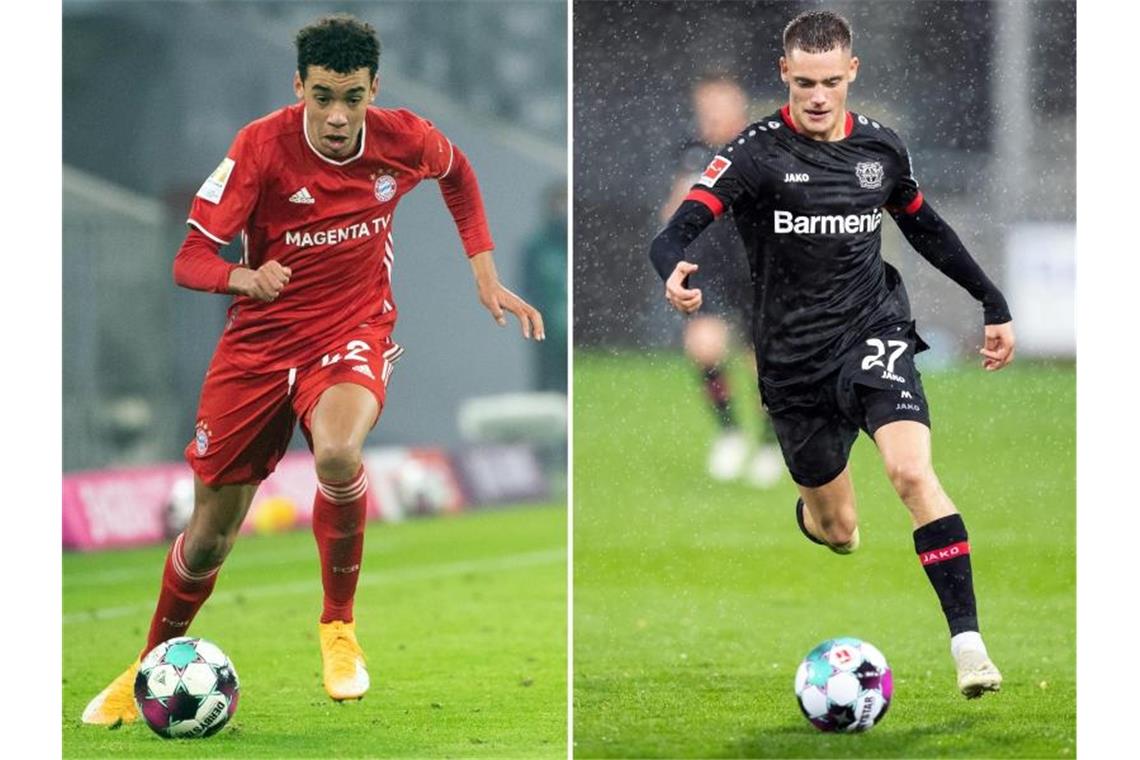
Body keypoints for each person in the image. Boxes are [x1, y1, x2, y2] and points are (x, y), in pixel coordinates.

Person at [82, 13, 544, 724]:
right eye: (322, 96)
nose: (336, 116)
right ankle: (148, 666)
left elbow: (459, 172)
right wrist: (244, 279)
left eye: (352, 98)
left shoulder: (404, 138)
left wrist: (482, 274)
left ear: (373, 91)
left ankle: (337, 628)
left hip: (351, 329)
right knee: (208, 535)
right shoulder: (259, 148)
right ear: (298, 85)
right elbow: (189, 258)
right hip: (259, 347)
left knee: (337, 452)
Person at [649, 10, 1013, 699]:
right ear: (785, 75)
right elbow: (680, 226)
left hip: (873, 331)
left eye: (830, 81)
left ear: (852, 74)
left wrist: (991, 302)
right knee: (840, 531)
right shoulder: (753, 154)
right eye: (805, 81)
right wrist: (672, 266)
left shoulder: (881, 149)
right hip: (791, 363)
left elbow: (927, 229)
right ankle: (813, 515)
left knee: (910, 472)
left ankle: (968, 645)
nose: (818, 96)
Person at [657, 74, 782, 486]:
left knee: (761, 364)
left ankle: (768, 442)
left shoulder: (762, 149)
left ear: (739, 108)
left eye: (719, 107)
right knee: (704, 347)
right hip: (706, 266)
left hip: (754, 267)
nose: (710, 116)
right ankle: (729, 433)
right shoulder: (693, 153)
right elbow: (675, 207)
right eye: (704, 108)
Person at [522, 181, 567, 393]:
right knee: (546, 379)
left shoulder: (568, 245)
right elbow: (529, 286)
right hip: (545, 326)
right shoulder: (537, 246)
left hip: (565, 325)